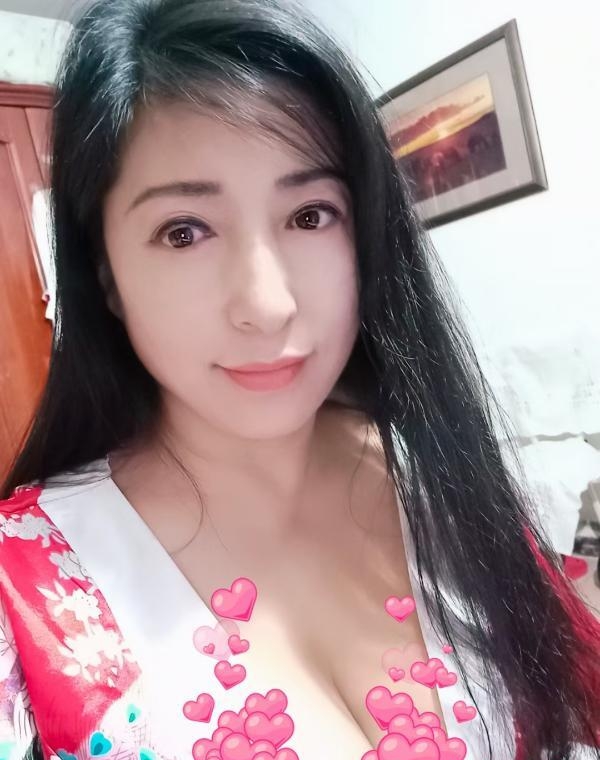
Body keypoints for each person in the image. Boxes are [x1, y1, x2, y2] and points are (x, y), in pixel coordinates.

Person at [1, 1, 599, 758]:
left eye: (311, 215)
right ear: (106, 278)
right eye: (184, 231)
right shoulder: (26, 594)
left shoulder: (441, 475)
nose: (268, 304)